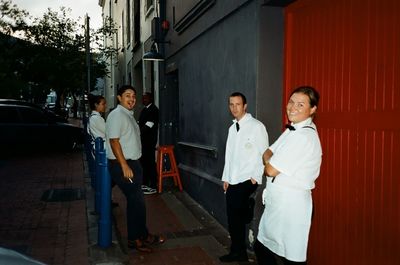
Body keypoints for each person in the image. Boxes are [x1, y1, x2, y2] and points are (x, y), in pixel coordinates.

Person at [255, 86, 322, 265]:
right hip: (278, 203)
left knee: (291, 257)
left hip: (292, 206)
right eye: (291, 102)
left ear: (313, 109)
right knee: (263, 247)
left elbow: (269, 169)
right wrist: (270, 160)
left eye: (301, 104)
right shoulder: (292, 130)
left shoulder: (303, 136)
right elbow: (267, 152)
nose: (292, 107)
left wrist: (270, 161)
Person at [105, 85, 164, 252]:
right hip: (124, 164)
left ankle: (143, 235)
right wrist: (124, 165)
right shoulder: (117, 115)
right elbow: (114, 141)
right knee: (135, 202)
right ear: (119, 98)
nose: (131, 99)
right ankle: (134, 239)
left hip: (133, 163)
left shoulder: (127, 115)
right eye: (127, 95)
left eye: (133, 96)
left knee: (138, 202)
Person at [220, 92, 269, 263]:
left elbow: (265, 153)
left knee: (238, 218)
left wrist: (256, 177)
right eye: (231, 104)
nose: (234, 108)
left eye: (237, 104)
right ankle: (237, 251)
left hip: (247, 179)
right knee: (233, 218)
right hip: (233, 180)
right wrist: (226, 178)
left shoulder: (256, 126)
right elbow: (229, 156)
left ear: (245, 106)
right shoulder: (232, 128)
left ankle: (238, 252)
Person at [138, 92, 159, 195]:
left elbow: (148, 125)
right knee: (144, 162)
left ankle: (153, 185)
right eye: (143, 98)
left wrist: (137, 133)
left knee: (150, 162)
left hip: (149, 141)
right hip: (143, 141)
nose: (143, 100)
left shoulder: (153, 110)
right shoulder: (144, 109)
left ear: (151, 98)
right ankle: (145, 183)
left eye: (145, 98)